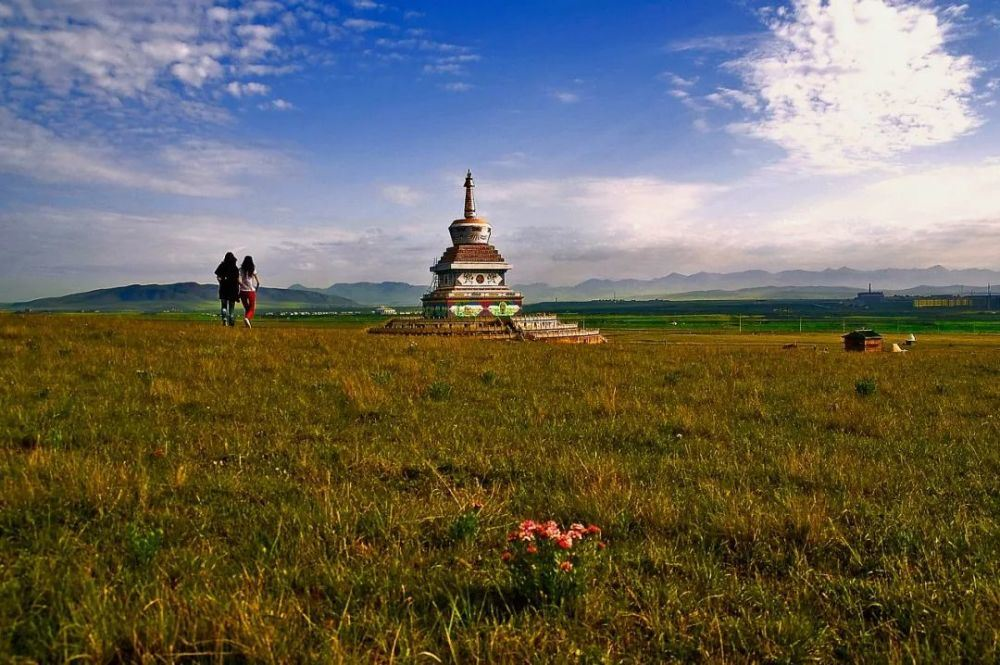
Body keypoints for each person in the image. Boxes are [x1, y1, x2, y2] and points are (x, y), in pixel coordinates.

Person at [214, 252, 240, 326]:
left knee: (224, 305)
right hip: (233, 289)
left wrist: (221, 282)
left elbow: (218, 276)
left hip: (223, 288)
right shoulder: (235, 268)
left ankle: (224, 318)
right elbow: (238, 279)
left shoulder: (222, 265)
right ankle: (231, 319)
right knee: (231, 307)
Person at [239, 255, 260, 328]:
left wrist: (242, 285)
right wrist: (256, 289)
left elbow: (238, 280)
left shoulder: (241, 269)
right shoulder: (253, 269)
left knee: (247, 308)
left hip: (242, 291)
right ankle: (247, 318)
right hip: (251, 291)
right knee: (252, 308)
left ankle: (246, 324)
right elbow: (258, 282)